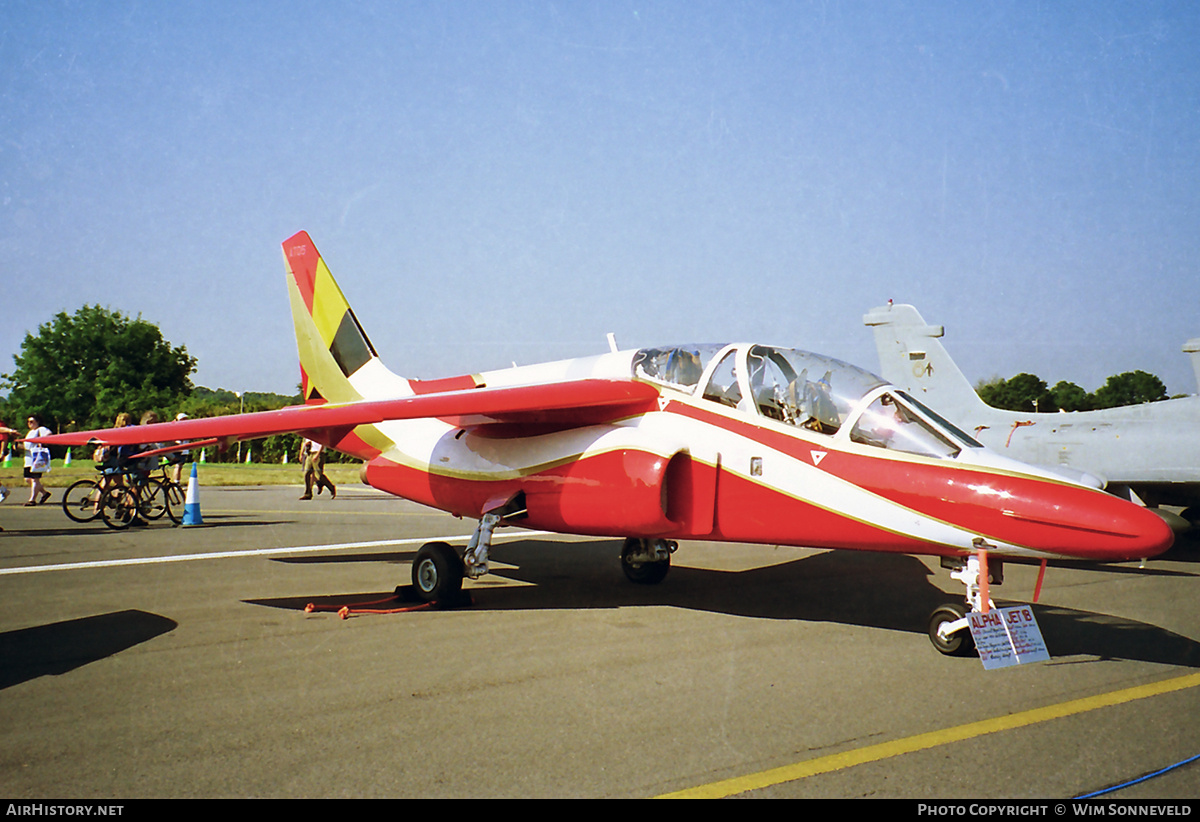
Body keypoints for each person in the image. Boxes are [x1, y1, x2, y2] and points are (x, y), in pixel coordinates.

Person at [23, 415, 52, 506]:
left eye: (32, 421)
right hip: (28, 458)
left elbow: (49, 433)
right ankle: (44, 493)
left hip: (36, 458)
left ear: (37, 421)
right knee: (28, 479)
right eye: (28, 422)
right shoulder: (30, 432)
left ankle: (32, 500)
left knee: (35, 479)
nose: (29, 423)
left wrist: (41, 441)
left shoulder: (41, 429)